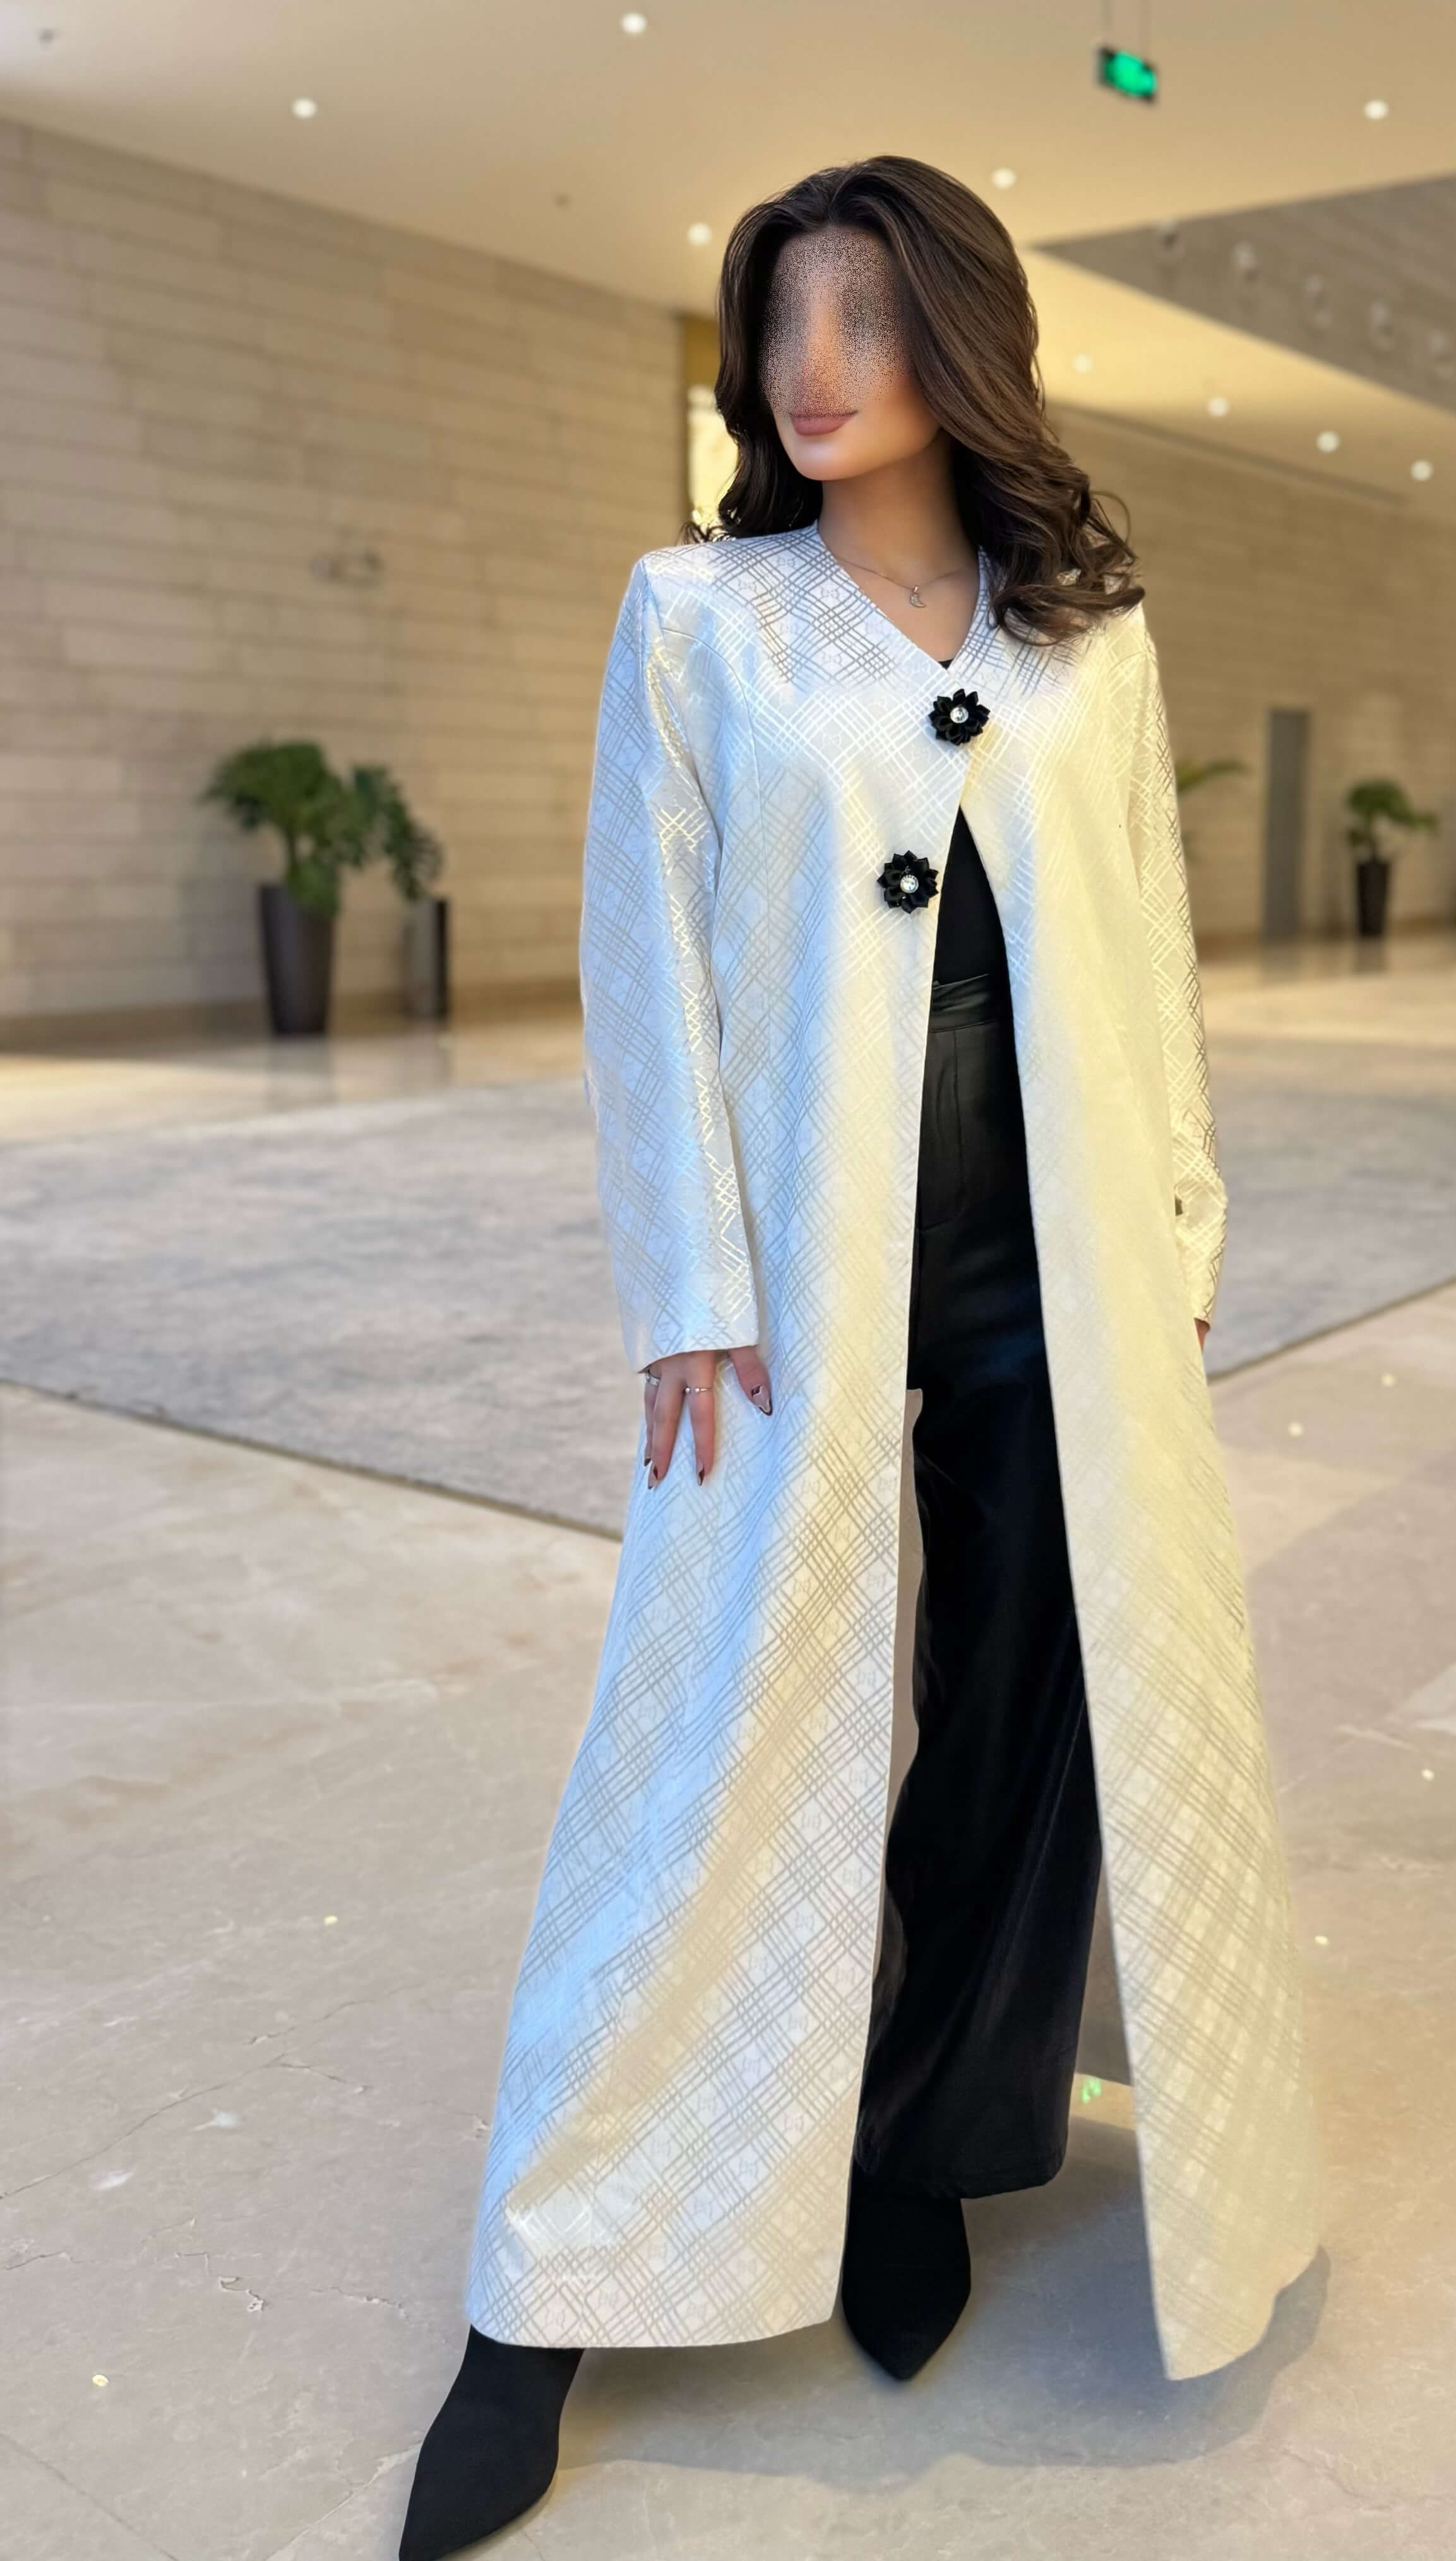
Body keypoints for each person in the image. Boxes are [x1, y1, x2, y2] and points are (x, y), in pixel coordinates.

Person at [398, 155, 1319, 2558]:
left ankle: (924, 2146)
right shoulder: (701, 617)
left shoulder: (1084, 638)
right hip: (792, 1270)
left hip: (1057, 1263)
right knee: (711, 1733)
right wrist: (689, 1286)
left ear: (961, 346)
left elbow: (1147, 946)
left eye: (866, 319)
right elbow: (641, 954)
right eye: (781, 321)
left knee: (1028, 1720)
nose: (812, 369)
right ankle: (551, 2282)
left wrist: (1181, 1228)